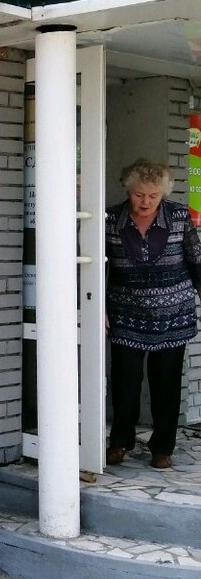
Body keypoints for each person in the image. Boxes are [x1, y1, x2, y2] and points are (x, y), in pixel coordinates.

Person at [105, 158, 201, 469]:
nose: (145, 202)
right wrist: (96, 306)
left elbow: (196, 259)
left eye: (153, 196)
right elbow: (96, 266)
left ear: (163, 194)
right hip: (125, 312)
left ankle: (162, 447)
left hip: (174, 314)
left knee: (166, 384)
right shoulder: (111, 218)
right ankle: (121, 441)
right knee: (125, 382)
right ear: (128, 191)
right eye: (139, 195)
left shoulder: (178, 216)